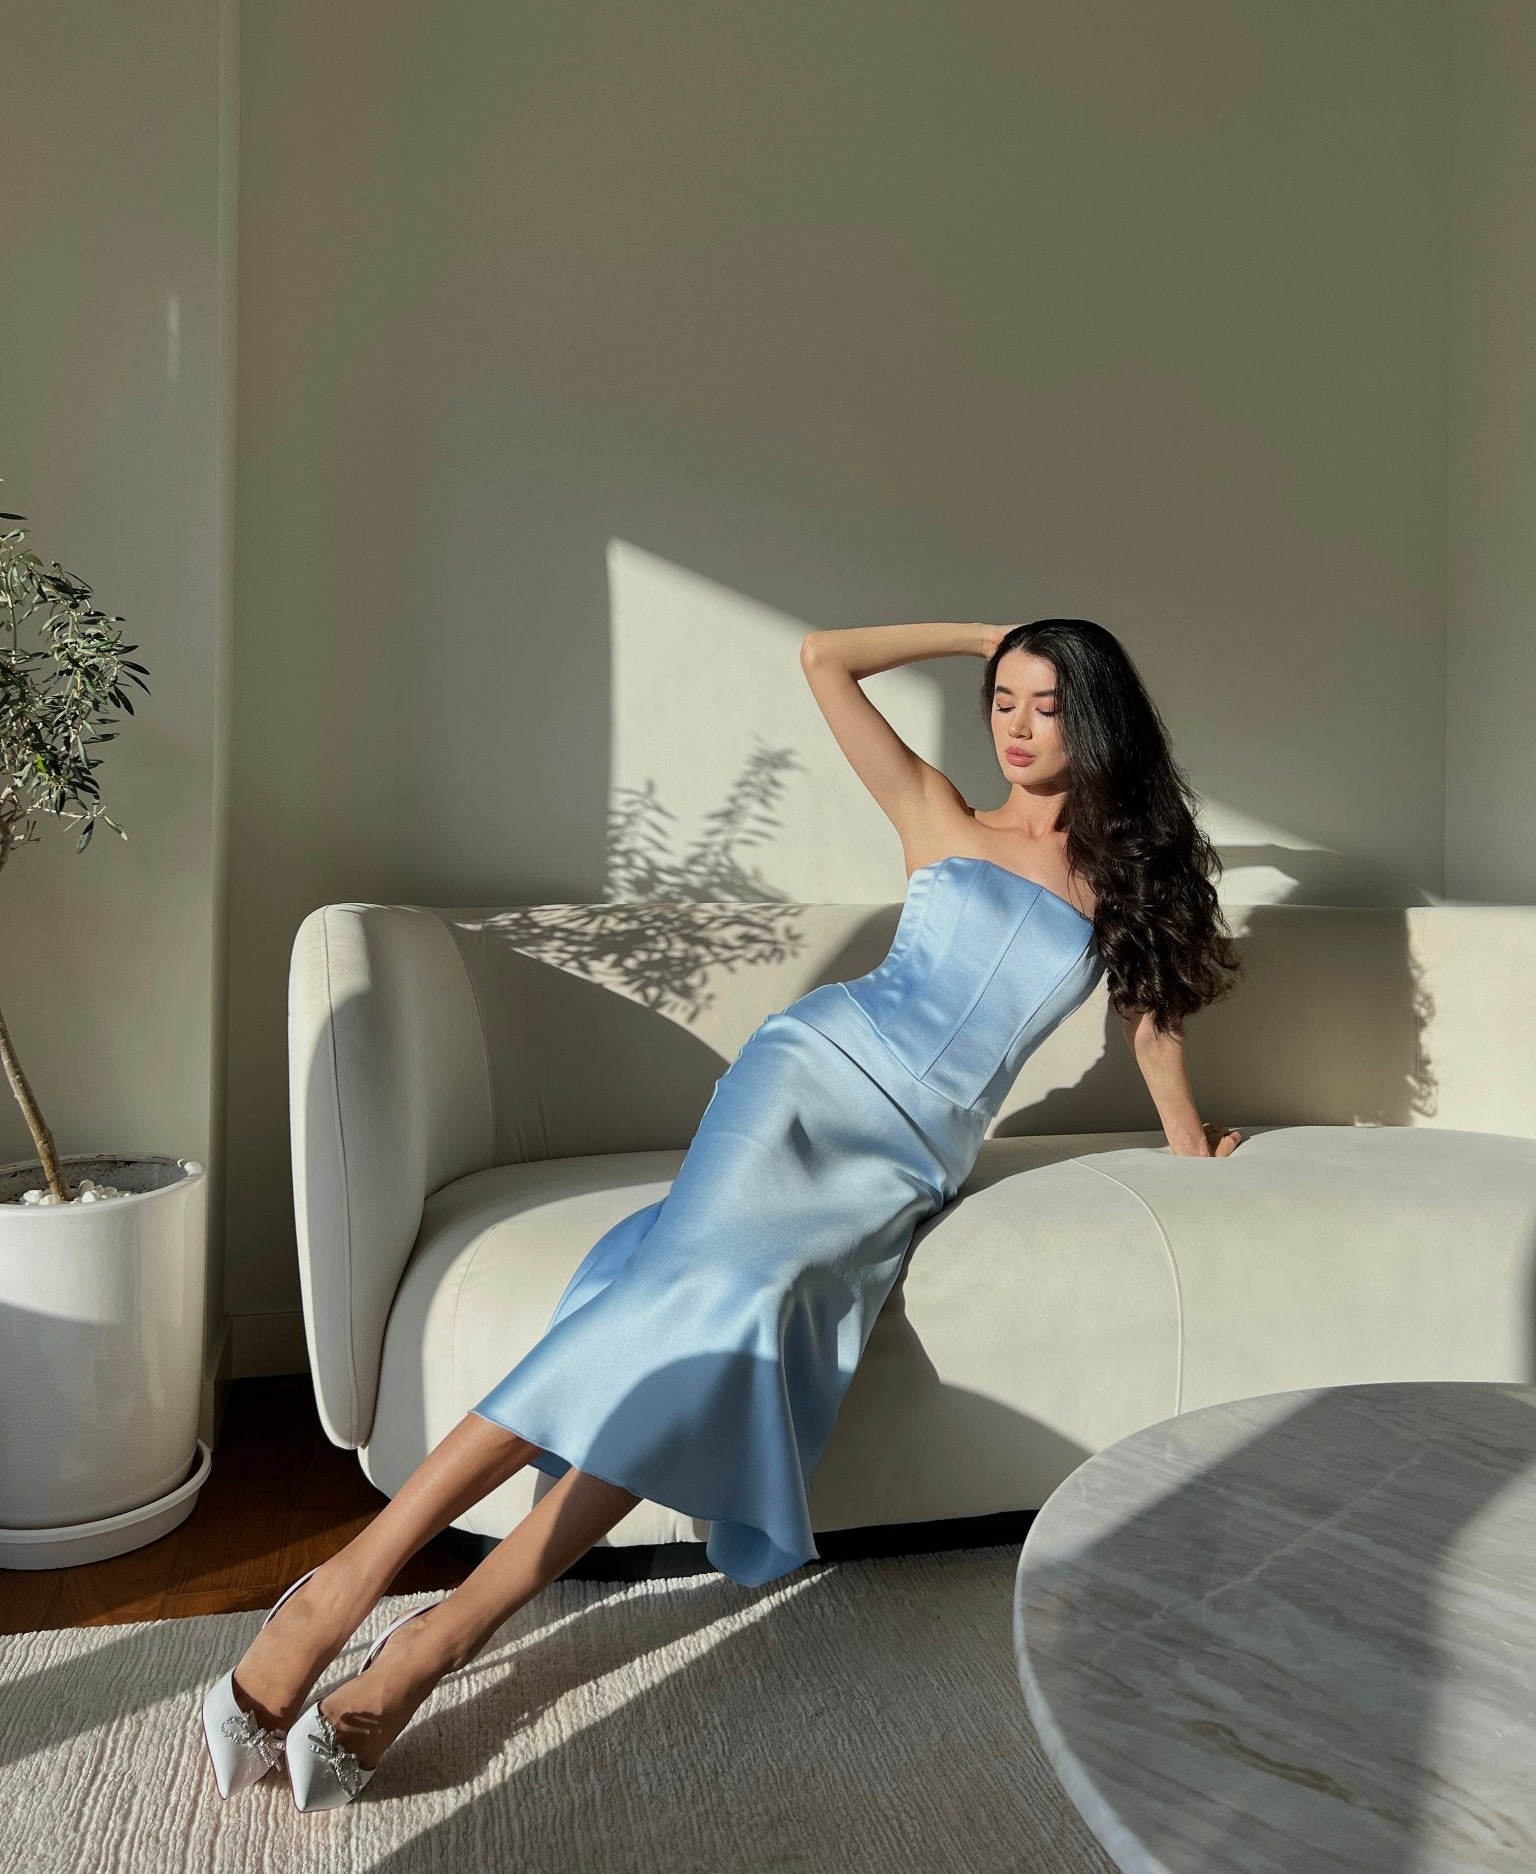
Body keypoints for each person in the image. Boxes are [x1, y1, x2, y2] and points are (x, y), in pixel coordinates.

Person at [202, 617, 1245, 1807]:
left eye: (1042, 701)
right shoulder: (939, 814)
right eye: (998, 695)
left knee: (709, 1344)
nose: (1011, 722)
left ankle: (437, 1639)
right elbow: (823, 658)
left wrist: (1187, 1142)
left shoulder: (1119, 880)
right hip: (804, 1078)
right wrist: (981, 631)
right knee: (674, 1302)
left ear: (1094, 714)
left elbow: (1154, 1022)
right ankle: (350, 1586)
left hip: (905, 1158)